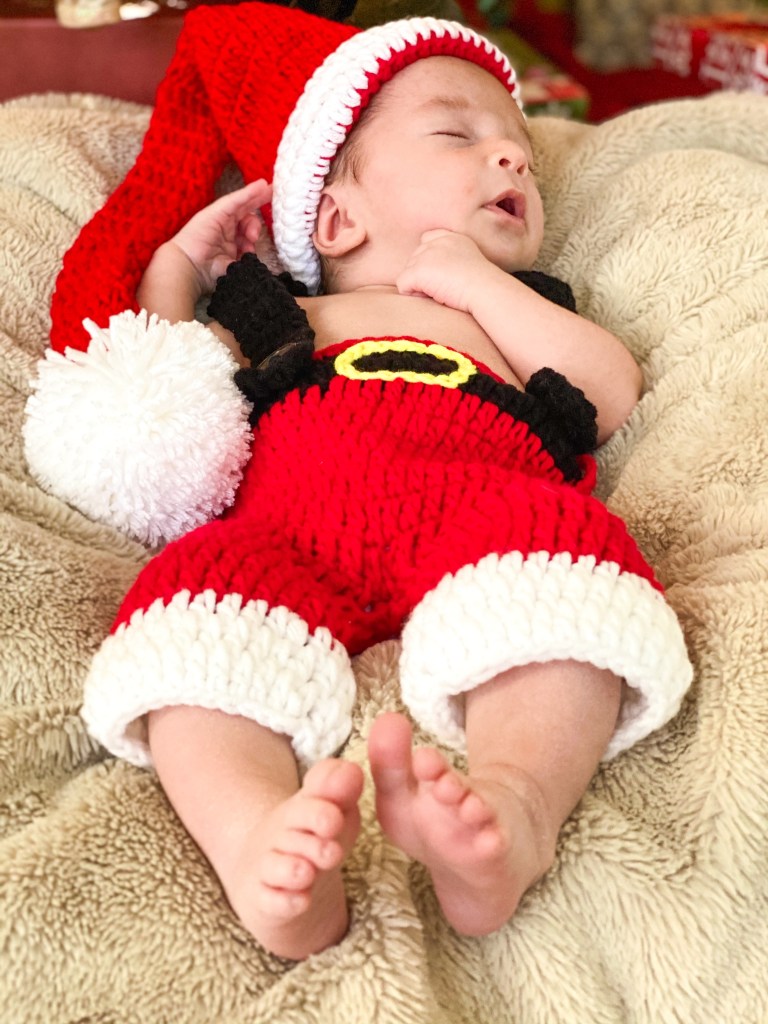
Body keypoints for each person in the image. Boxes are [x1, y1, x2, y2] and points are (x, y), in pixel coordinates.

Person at [82, 19, 692, 962]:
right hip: (289, 530)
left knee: (575, 563)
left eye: (522, 155)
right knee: (188, 608)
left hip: (486, 512)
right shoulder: (289, 312)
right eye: (456, 134)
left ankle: (517, 808)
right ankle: (253, 842)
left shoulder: (523, 308)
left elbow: (608, 394)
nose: (511, 158)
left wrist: (476, 284)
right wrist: (177, 267)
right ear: (337, 221)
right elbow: (164, 386)